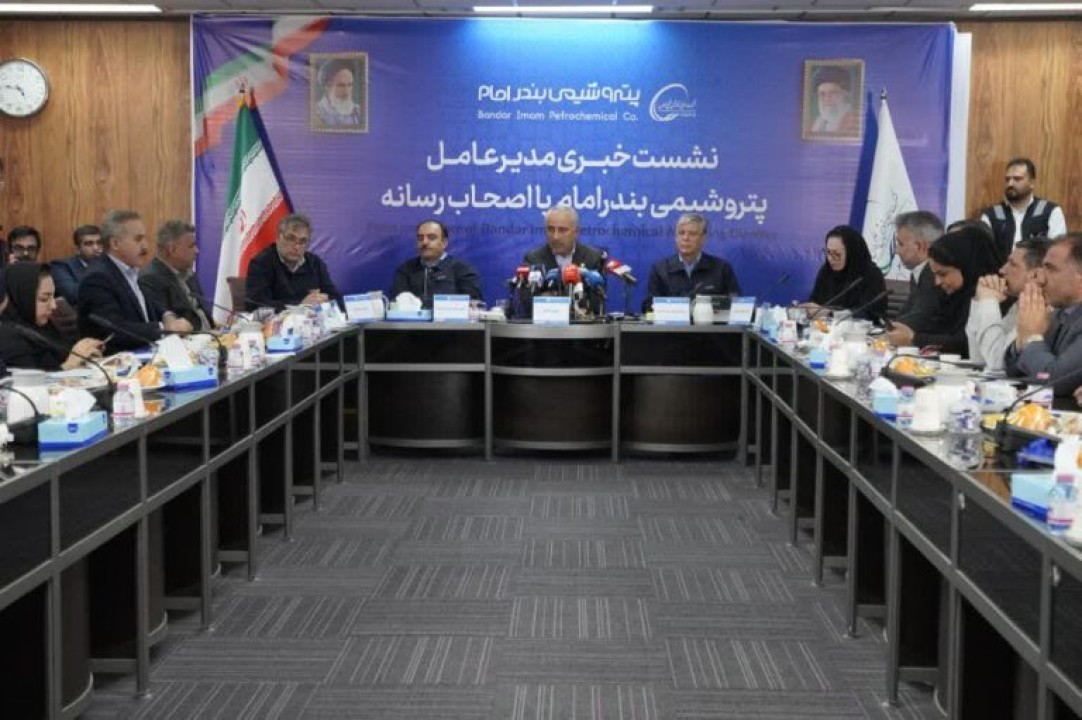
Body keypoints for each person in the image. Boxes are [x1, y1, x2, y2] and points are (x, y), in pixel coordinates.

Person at [78, 209, 193, 352]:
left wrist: (167, 316)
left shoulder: (130, 270)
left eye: (144, 239)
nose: (145, 246)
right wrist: (165, 328)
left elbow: (147, 305)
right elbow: (114, 330)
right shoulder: (97, 278)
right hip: (116, 361)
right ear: (115, 243)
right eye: (138, 239)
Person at [885, 225, 1005, 355]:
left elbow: (965, 343)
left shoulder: (995, 294)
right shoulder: (951, 297)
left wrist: (914, 339)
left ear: (965, 266)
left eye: (943, 274)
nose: (937, 282)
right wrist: (906, 333)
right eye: (935, 275)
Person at [1005, 233, 1082, 396]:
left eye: (1050, 269)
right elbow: (1014, 371)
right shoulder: (1059, 313)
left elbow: (1053, 381)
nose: (1040, 279)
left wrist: (1032, 338)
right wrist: (1021, 342)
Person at [965, 238, 1050, 372]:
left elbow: (997, 361)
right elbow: (979, 358)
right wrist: (979, 301)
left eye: (1012, 264)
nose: (1002, 270)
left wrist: (988, 302)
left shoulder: (1043, 308)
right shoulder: (1018, 305)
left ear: (1035, 275)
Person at [0, 262, 103, 371]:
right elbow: (29, 379)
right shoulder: (8, 338)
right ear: (22, 298)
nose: (53, 306)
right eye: (44, 299)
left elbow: (63, 357)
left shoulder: (44, 327)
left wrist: (85, 356)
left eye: (53, 296)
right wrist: (69, 365)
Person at [643, 213, 741, 311]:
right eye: (681, 233)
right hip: (672, 321)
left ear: (703, 239)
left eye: (692, 234)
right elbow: (649, 307)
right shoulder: (660, 269)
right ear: (676, 238)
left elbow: (736, 305)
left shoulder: (721, 268)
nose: (685, 238)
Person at [245, 213, 341, 311]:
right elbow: (256, 305)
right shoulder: (261, 263)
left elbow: (337, 299)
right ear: (278, 237)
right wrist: (300, 304)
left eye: (302, 241)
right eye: (291, 239)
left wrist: (326, 300)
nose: (297, 247)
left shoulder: (316, 263)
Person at [523, 206, 606, 316]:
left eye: (562, 230)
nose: (555, 237)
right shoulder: (533, 259)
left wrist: (550, 298)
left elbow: (597, 303)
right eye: (550, 229)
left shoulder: (593, 258)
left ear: (576, 232)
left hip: (582, 326)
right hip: (545, 325)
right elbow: (528, 303)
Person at [980, 157, 1066, 258]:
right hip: (1002, 268)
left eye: (1017, 179)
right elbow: (984, 255)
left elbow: (1057, 254)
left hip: (1037, 268)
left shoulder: (1051, 212)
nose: (1010, 184)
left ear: (1032, 183)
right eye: (1007, 179)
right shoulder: (991, 215)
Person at [139, 220, 213, 331]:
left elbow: (201, 311)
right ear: (172, 250)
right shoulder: (150, 279)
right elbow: (169, 324)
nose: (197, 251)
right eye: (191, 246)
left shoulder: (189, 274)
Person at [391, 220, 483, 308]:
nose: (424, 242)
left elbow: (474, 305)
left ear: (444, 243)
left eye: (431, 237)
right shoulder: (405, 269)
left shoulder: (463, 269)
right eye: (420, 238)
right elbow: (397, 304)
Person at [806, 226, 887, 320]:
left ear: (851, 253)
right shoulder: (826, 271)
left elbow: (871, 314)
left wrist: (831, 314)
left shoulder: (871, 274)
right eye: (828, 252)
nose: (830, 258)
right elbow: (815, 302)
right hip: (823, 327)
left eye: (836, 254)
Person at [892, 210, 943, 327]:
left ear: (920, 246)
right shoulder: (918, 271)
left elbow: (920, 318)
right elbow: (907, 313)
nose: (896, 251)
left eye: (901, 244)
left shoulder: (934, 275)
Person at [51, 224, 103, 306]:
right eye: (89, 244)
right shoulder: (61, 266)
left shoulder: (109, 266)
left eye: (99, 243)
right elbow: (75, 295)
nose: (96, 248)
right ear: (78, 249)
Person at [809, 66, 859, 136]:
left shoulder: (854, 123)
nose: (827, 99)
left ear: (845, 95)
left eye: (833, 93)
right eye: (822, 94)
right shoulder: (818, 124)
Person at [315, 58, 362, 127]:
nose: (347, 92)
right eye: (341, 86)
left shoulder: (359, 112)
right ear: (327, 87)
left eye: (350, 85)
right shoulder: (317, 113)